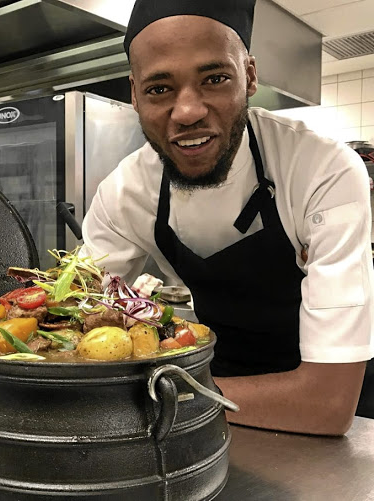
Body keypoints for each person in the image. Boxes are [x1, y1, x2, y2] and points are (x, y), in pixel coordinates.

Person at [80, 0, 374, 436]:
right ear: (134, 94)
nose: (187, 112)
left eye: (214, 79)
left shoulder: (322, 170)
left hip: (343, 407)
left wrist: (158, 398)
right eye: (160, 89)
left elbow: (327, 404)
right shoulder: (126, 192)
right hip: (217, 400)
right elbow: (76, 317)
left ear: (250, 76)